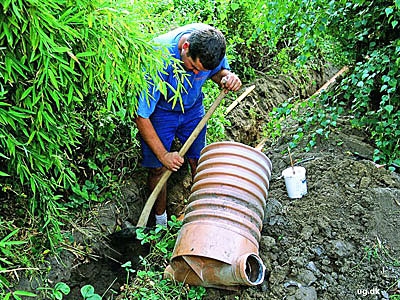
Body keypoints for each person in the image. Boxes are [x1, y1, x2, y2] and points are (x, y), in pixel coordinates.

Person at [135, 23, 242, 226]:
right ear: (185, 48)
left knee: (198, 162)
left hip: (193, 111)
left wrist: (227, 78)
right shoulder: (159, 57)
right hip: (161, 113)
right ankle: (161, 223)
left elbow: (218, 73)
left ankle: (201, 217)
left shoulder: (211, 44)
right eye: (192, 67)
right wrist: (164, 155)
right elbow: (141, 116)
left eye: (199, 72)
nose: (194, 74)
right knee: (158, 169)